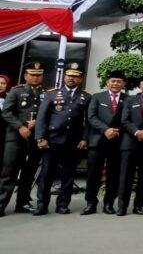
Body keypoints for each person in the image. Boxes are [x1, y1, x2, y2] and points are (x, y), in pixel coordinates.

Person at [34, 61, 89, 216]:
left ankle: (63, 204)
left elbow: (88, 121)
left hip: (73, 142)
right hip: (52, 140)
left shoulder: (86, 96)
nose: (71, 79)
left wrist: (85, 138)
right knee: (46, 174)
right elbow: (42, 118)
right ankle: (42, 205)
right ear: (64, 77)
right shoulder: (52, 94)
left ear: (81, 78)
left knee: (68, 175)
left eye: (75, 76)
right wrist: (40, 138)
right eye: (69, 75)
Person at [0, 61, 45, 217]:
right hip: (15, 136)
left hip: (35, 137)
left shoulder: (47, 93)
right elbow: (6, 112)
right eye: (32, 74)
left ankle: (23, 203)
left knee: (29, 172)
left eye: (38, 75)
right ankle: (1, 204)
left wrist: (38, 122)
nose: (35, 77)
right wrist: (21, 126)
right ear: (26, 75)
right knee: (9, 171)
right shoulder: (15, 91)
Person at [117, 70, 143, 216]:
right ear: (140, 85)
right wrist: (137, 132)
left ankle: (138, 206)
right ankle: (122, 206)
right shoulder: (130, 100)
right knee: (125, 176)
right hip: (129, 143)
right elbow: (124, 121)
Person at [83, 69, 126, 215]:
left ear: (123, 84)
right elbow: (91, 117)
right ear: (107, 83)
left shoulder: (128, 99)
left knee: (113, 174)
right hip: (98, 140)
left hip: (118, 141)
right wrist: (106, 130)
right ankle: (90, 203)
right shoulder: (97, 97)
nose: (115, 83)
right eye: (113, 81)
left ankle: (109, 203)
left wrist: (117, 130)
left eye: (119, 81)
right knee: (93, 174)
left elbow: (129, 119)